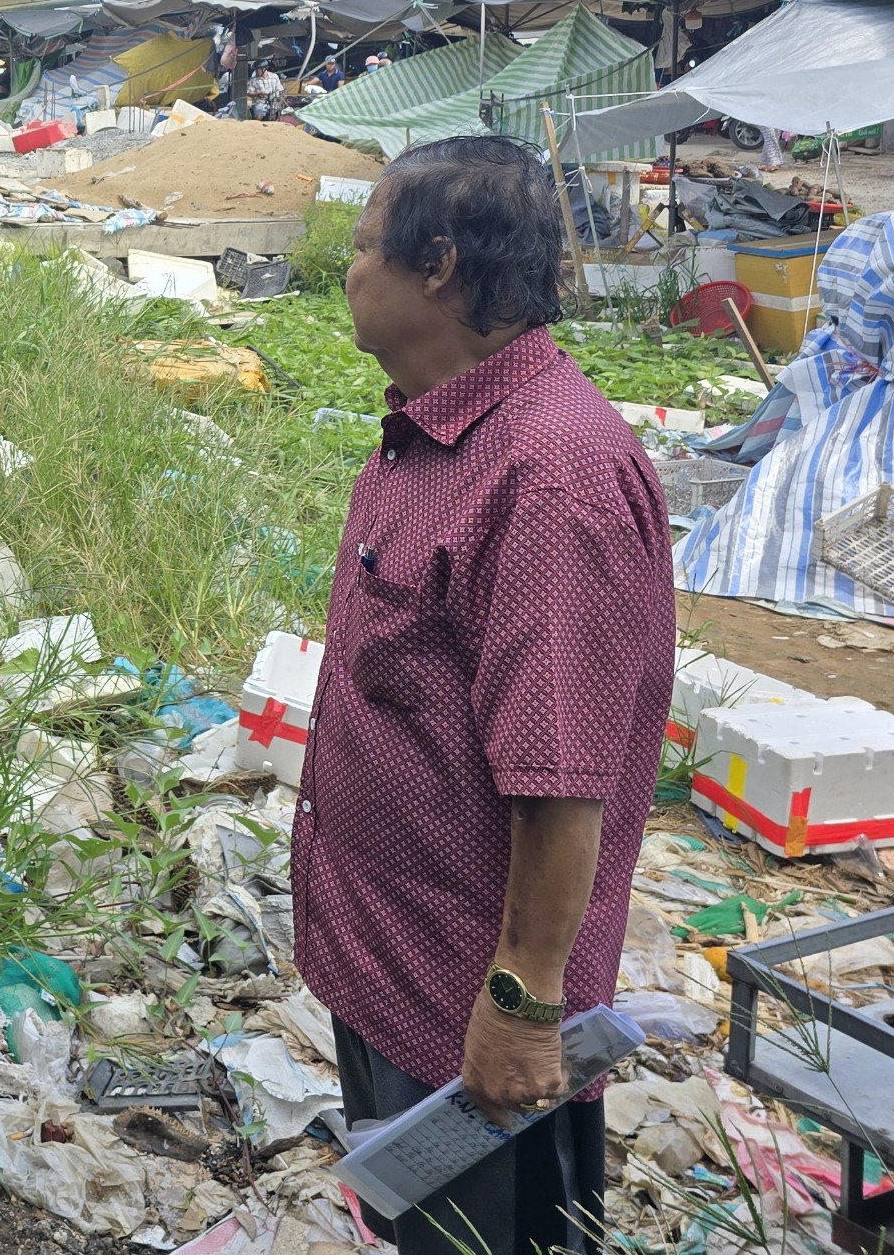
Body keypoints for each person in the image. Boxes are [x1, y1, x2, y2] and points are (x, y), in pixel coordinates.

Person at [292, 134, 673, 1255]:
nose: (348, 272)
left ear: (439, 267)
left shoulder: (546, 476)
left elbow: (562, 782)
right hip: (386, 957)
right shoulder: (431, 433)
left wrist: (521, 1007)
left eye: (362, 247)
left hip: (464, 1002)